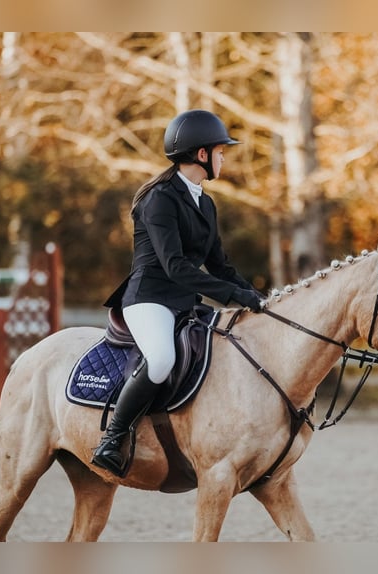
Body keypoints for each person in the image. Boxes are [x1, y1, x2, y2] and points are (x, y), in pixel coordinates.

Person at [91, 109, 264, 477]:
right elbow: (176, 267)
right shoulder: (159, 199)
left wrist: (257, 298)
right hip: (148, 299)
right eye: (220, 151)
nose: (224, 157)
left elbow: (220, 265)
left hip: (184, 302)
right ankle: (112, 438)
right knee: (161, 360)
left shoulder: (205, 202)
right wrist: (233, 296)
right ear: (201, 155)